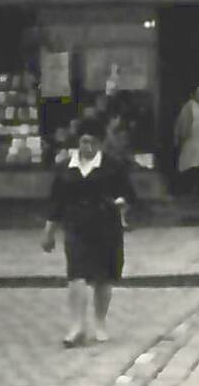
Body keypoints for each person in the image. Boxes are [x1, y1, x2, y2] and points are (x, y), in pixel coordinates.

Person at [41, 119, 134, 347]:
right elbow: (56, 203)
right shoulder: (65, 168)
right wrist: (49, 232)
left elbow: (129, 194)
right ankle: (77, 326)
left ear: (100, 143)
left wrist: (122, 203)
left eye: (93, 142)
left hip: (106, 227)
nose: (88, 147)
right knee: (76, 275)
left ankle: (100, 323)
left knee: (103, 277)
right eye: (84, 141)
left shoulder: (113, 166)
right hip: (76, 227)